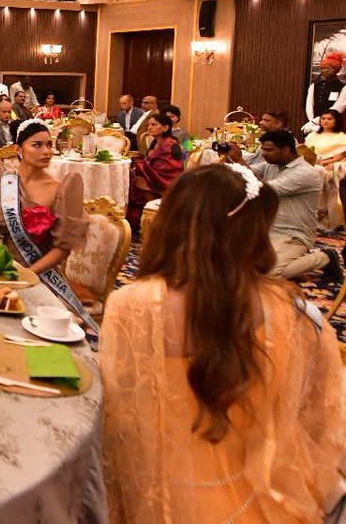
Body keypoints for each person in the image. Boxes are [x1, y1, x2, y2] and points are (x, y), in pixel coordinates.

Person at [100, 164, 343, 524]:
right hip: (264, 499)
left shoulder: (133, 305)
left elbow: (120, 416)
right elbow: (320, 417)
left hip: (159, 494)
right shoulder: (294, 312)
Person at [0, 119, 87, 274]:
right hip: (0, 265)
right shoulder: (1, 178)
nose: (46, 151)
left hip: (41, 272)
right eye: (37, 145)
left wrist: (26, 274)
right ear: (19, 150)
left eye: (49, 145)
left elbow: (62, 249)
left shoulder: (61, 189)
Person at [226, 130, 339, 281]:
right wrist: (229, 160)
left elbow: (262, 189)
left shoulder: (305, 173)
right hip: (267, 231)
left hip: (294, 235)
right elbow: (244, 174)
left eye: (269, 150)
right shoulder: (271, 165)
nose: (264, 154)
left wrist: (240, 161)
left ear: (286, 149)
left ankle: (325, 257)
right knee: (234, 265)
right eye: (263, 149)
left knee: (269, 274)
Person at [127, 113, 185, 230]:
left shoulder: (170, 145)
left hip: (164, 184)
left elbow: (170, 171)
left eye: (154, 125)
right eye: (149, 125)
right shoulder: (155, 142)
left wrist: (141, 166)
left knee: (137, 184)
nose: (149, 128)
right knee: (130, 181)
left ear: (165, 127)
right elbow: (150, 164)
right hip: (152, 179)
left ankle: (150, 222)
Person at [305, 109, 346, 229]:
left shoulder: (342, 137)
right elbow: (306, 152)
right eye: (323, 118)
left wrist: (326, 163)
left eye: (329, 119)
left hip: (334, 165)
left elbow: (340, 156)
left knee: (327, 173)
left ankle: (329, 217)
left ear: (336, 121)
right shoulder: (312, 135)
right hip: (313, 164)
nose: (325, 121)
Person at [303, 52, 346, 135]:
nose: (325, 70)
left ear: (336, 69)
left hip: (332, 124)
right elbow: (309, 105)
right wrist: (312, 121)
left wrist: (319, 120)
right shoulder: (314, 85)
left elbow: (339, 107)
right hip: (312, 124)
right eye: (323, 68)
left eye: (328, 68)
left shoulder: (343, 87)